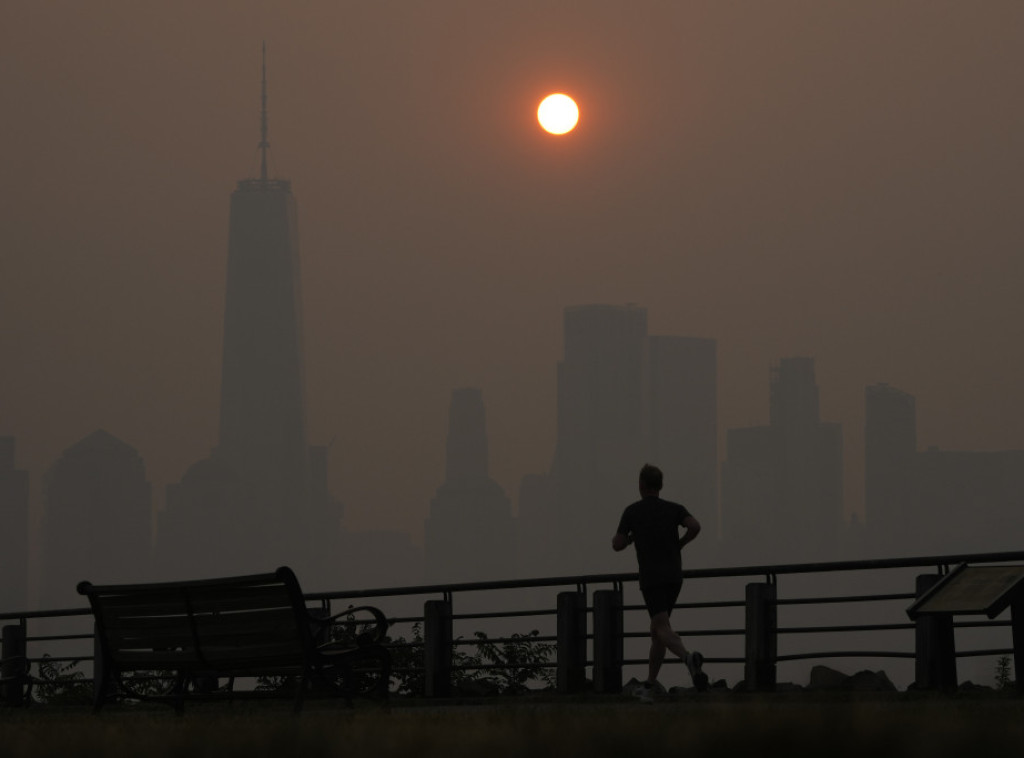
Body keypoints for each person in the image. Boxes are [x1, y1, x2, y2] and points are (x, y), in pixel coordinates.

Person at [613, 463, 708, 699]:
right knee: (657, 631)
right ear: (661, 485)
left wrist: (631, 538)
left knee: (661, 627)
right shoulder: (674, 509)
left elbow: (617, 544)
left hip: (652, 576)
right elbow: (695, 526)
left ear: (641, 485)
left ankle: (688, 658)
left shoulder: (633, 511)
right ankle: (650, 685)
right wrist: (681, 543)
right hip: (675, 576)